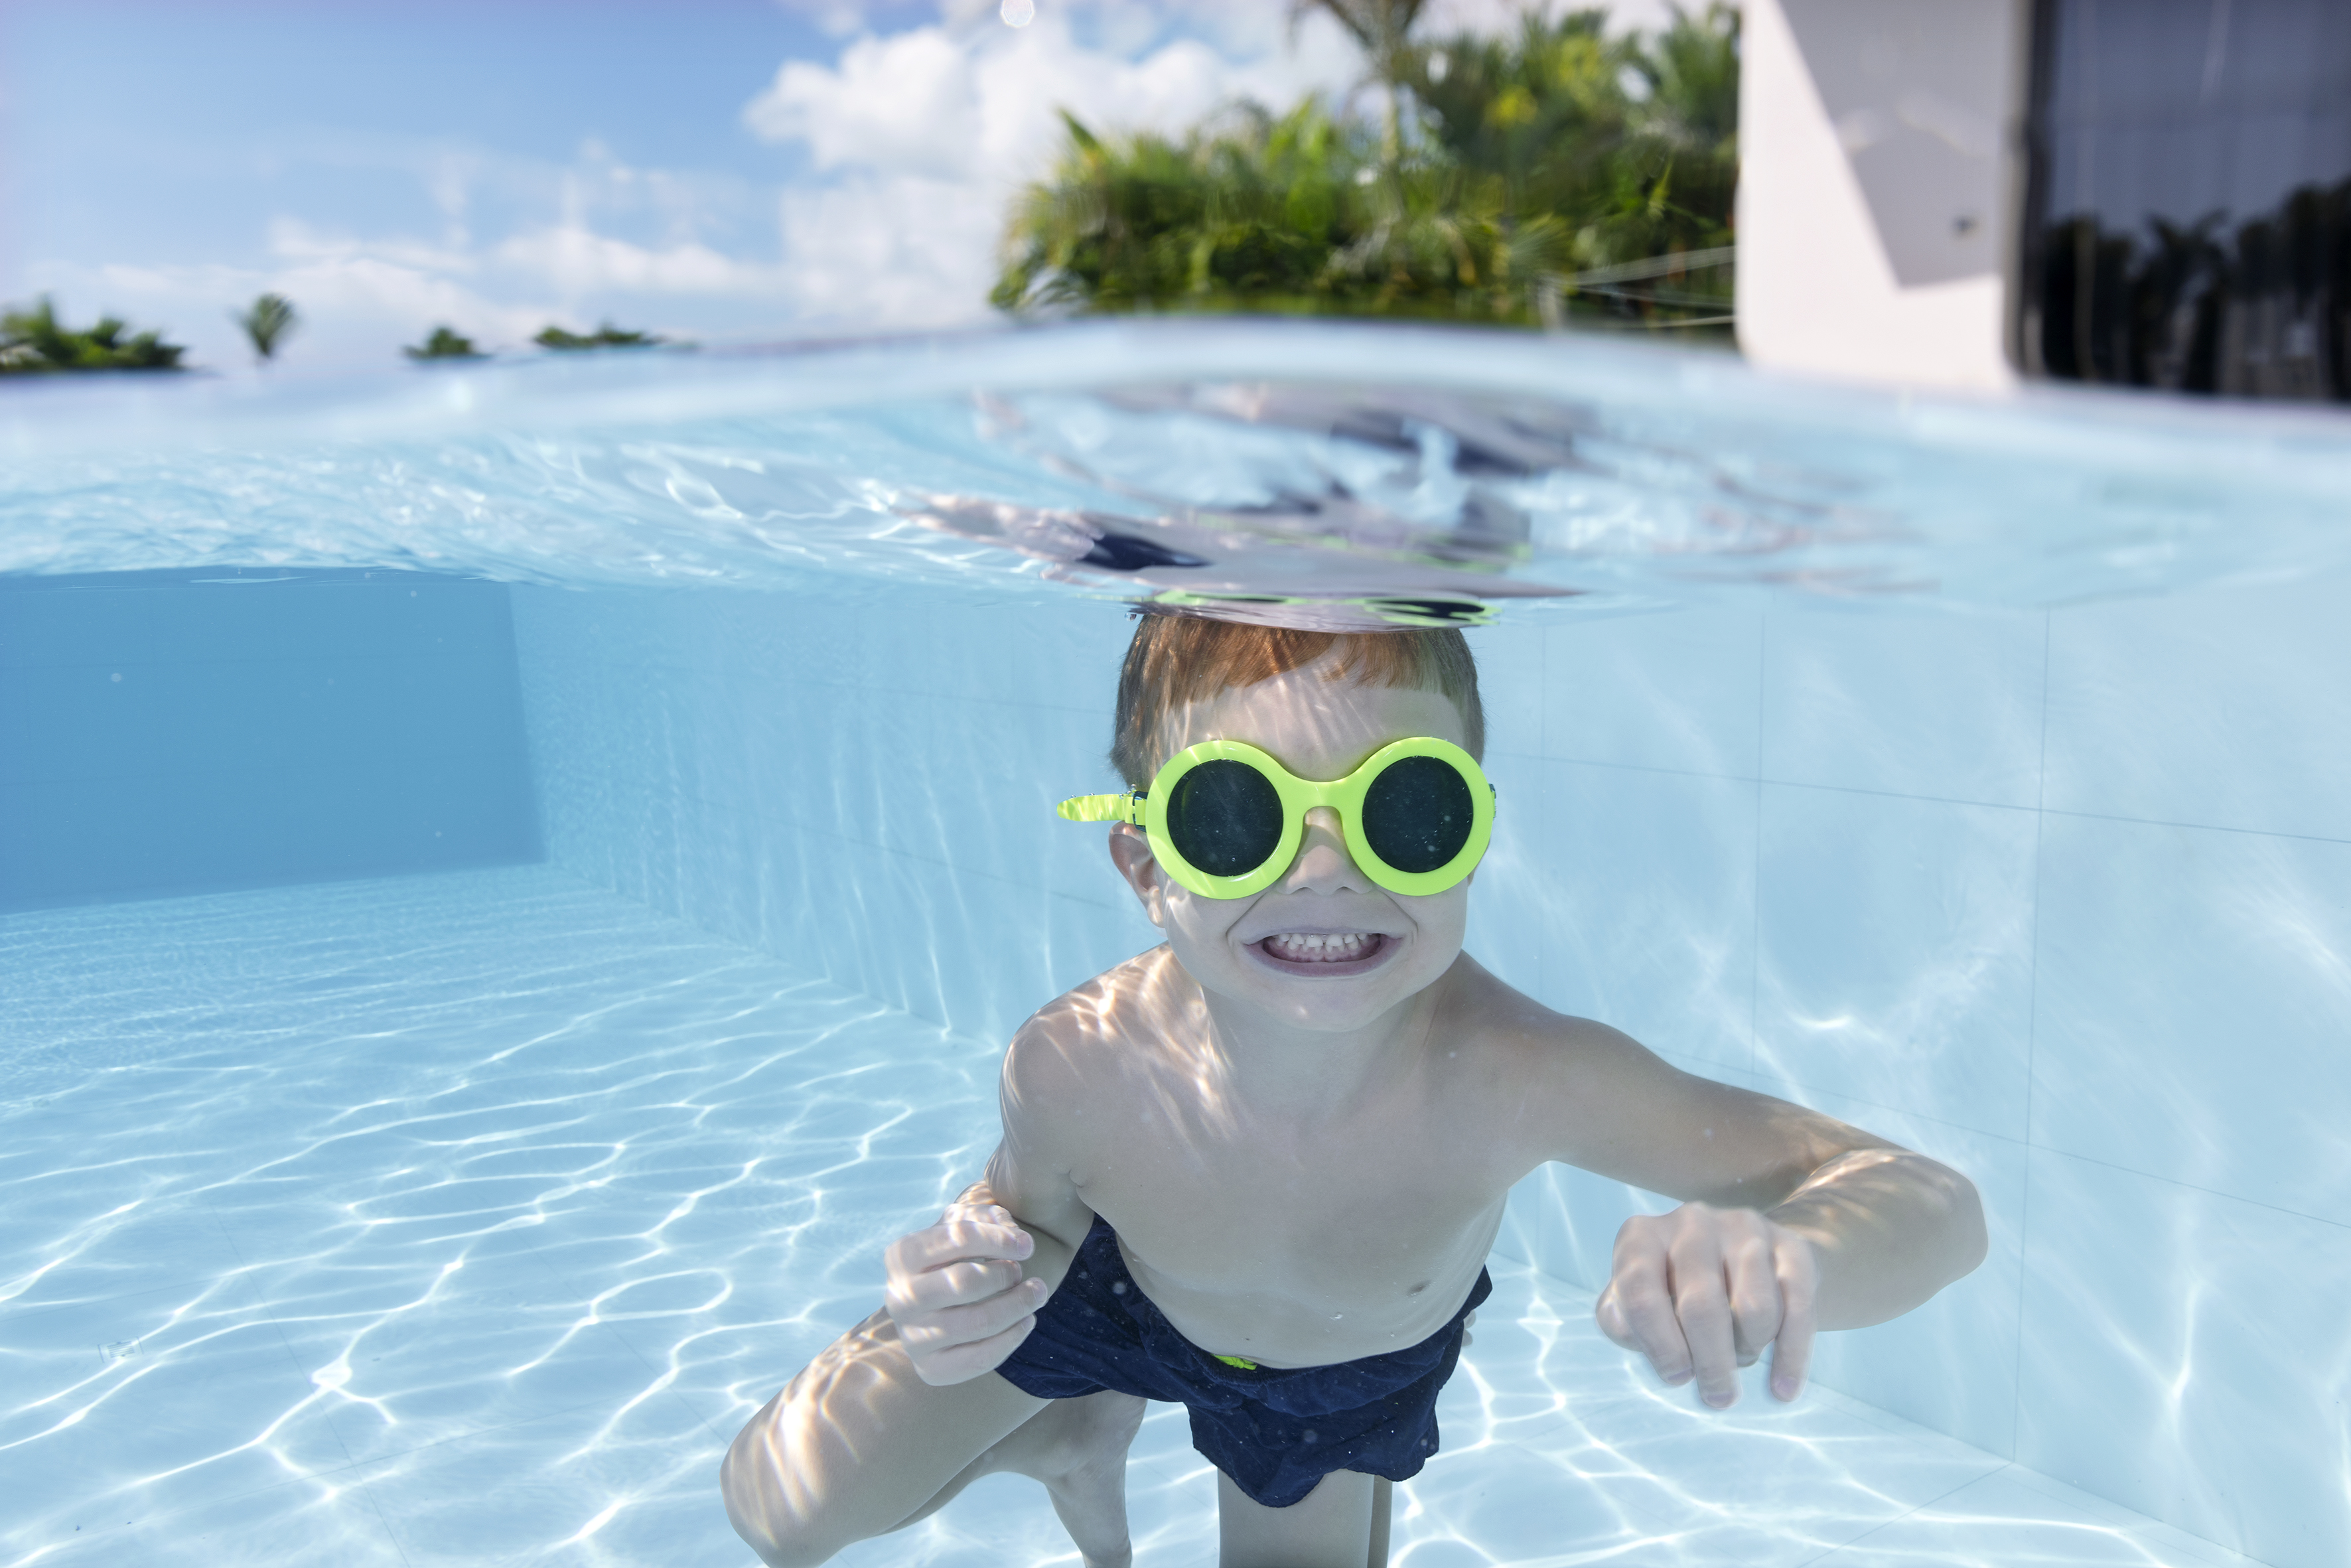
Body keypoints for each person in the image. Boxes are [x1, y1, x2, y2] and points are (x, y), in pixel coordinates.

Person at [721, 615, 1987, 1568]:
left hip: (1334, 1383)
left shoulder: (1518, 1075)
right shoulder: (1077, 1060)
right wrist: (954, 1286)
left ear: (1478, 825)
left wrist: (1794, 1254)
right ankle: (1073, 1423)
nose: (1326, 875)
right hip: (1111, 1296)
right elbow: (1016, 1217)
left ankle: (1072, 1430)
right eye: (1237, 816)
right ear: (1145, 864)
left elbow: (1930, 1201)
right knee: (776, 1507)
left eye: (1407, 809)